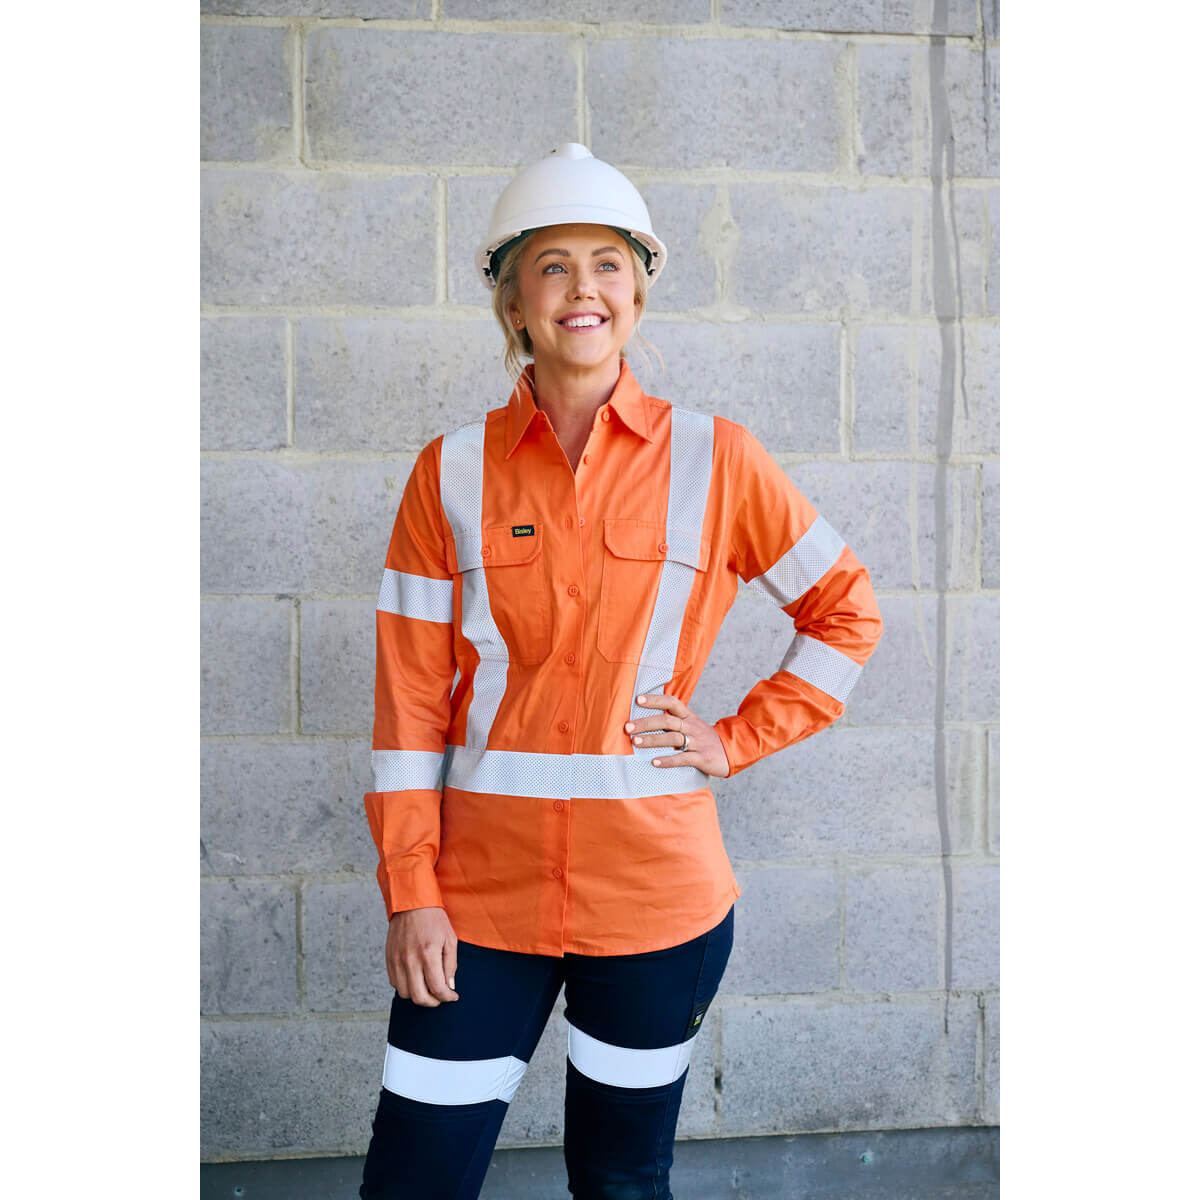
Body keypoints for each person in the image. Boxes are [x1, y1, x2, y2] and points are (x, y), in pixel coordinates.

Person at [358, 143, 882, 1200]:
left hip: (656, 904)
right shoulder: (447, 471)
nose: (582, 289)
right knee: (413, 1185)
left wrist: (734, 738)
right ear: (513, 303)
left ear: (638, 293)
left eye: (607, 264)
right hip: (477, 905)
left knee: (622, 1184)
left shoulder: (719, 458)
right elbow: (408, 702)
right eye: (551, 267)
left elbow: (847, 610)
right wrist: (411, 892)